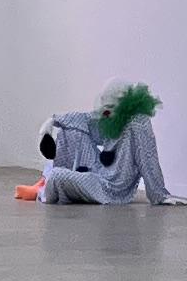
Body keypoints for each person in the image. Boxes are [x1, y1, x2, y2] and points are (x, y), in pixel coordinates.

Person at [29, 83, 170, 203]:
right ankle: (54, 182)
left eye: (110, 107)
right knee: (69, 130)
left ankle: (45, 187)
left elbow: (148, 158)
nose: (105, 112)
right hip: (99, 170)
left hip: (110, 188)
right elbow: (84, 119)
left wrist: (160, 195)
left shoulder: (138, 123)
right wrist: (50, 123)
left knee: (57, 176)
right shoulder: (109, 116)